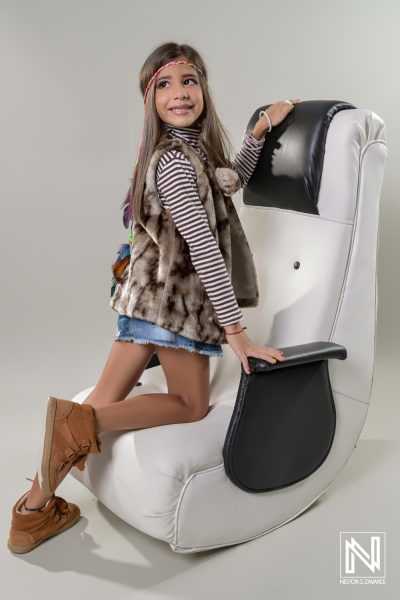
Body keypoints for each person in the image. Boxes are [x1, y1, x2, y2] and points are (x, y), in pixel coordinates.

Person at [8, 42, 301, 554]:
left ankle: (32, 511)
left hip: (143, 299)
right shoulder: (173, 163)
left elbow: (226, 180)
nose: (179, 94)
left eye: (189, 81)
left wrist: (257, 134)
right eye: (164, 85)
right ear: (149, 100)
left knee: (100, 401)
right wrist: (237, 333)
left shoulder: (188, 154)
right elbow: (205, 247)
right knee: (189, 407)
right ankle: (75, 427)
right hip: (173, 307)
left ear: (203, 88)